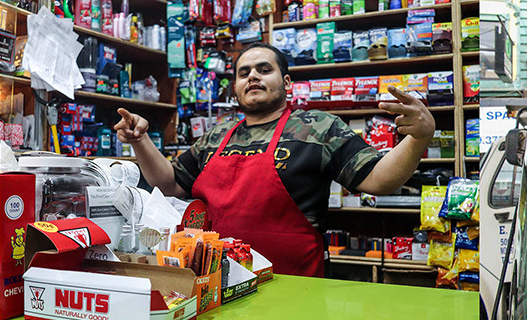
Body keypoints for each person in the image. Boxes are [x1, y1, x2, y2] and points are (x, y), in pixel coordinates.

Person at [113, 44, 434, 278]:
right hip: (218, 284)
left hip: (295, 286)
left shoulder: (318, 128)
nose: (253, 76)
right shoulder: (216, 136)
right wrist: (141, 141)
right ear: (236, 88)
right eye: (244, 73)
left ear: (287, 82)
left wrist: (419, 136)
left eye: (264, 70)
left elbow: (380, 179)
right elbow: (168, 184)